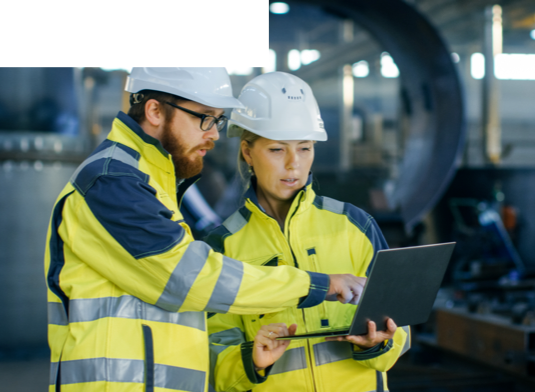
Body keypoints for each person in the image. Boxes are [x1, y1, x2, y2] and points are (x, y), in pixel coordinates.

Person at [43, 67, 367, 392]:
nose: (213, 134)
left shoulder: (151, 180)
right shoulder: (113, 182)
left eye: (218, 120)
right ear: (155, 110)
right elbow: (190, 279)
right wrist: (314, 285)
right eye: (204, 117)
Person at [205, 72, 411, 392]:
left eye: (304, 148)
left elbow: (400, 329)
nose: (294, 165)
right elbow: (214, 360)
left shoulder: (355, 226)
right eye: (277, 150)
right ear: (247, 152)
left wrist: (376, 342)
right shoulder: (222, 247)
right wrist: (251, 360)